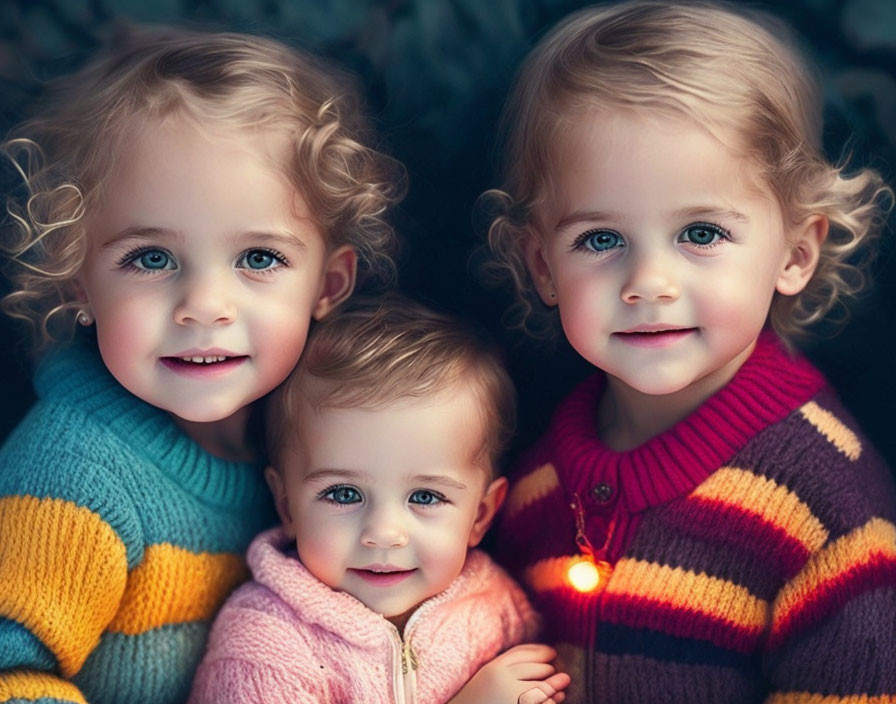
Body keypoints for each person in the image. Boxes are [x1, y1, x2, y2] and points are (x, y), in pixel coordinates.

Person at [484, 2, 896, 702]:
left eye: (701, 234)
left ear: (795, 253)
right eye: (601, 240)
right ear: (543, 266)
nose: (649, 284)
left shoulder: (826, 509)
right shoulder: (531, 484)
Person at [0, 25, 402, 704]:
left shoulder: (322, 439)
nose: (204, 307)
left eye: (258, 259)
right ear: (79, 282)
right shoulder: (72, 479)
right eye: (151, 259)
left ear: (327, 287)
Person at [188, 297, 570, 704]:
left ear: (480, 515)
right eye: (343, 494)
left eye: (425, 496)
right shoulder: (263, 643)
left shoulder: (499, 611)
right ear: (286, 505)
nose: (384, 534)